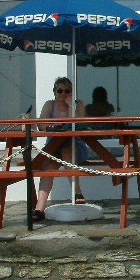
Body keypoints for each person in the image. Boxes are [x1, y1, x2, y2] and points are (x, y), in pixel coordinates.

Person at [33, 77, 90, 221]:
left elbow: (80, 123)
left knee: (67, 151)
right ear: (54, 91)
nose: (63, 94)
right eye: (59, 91)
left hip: (75, 145)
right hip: (54, 145)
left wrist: (71, 106)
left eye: (67, 91)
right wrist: (53, 127)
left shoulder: (79, 104)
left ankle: (77, 193)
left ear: (72, 92)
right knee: (48, 167)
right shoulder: (49, 105)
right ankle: (39, 209)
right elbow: (41, 125)